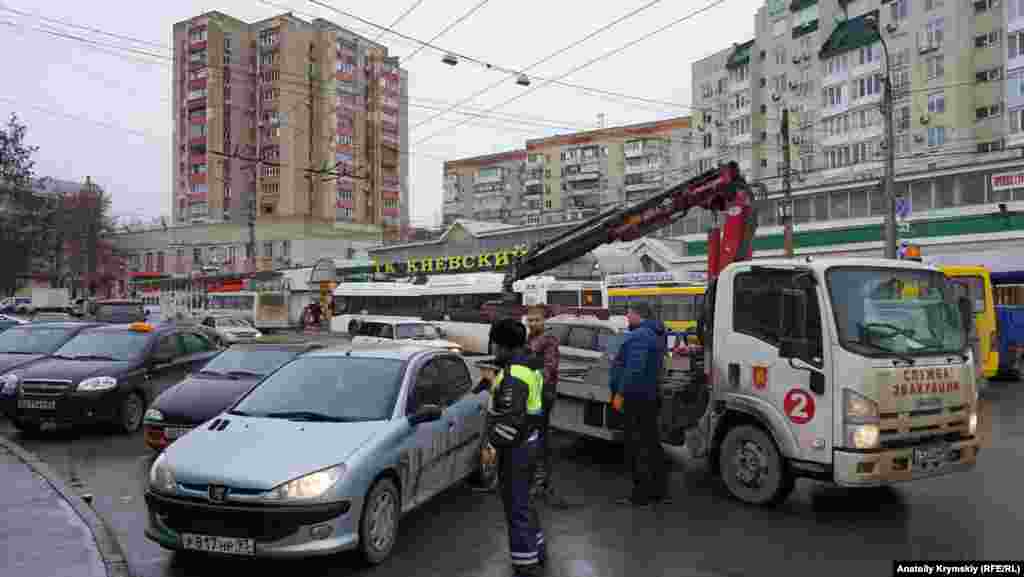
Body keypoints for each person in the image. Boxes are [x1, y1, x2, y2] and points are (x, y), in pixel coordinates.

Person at [480, 318, 546, 577]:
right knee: (526, 502)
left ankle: (526, 565)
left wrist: (491, 446)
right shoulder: (528, 365)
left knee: (515, 505)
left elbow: (510, 421)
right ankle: (537, 549)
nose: (494, 349)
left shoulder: (514, 375)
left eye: (495, 344)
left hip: (516, 449)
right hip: (530, 442)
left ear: (505, 346)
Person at [609, 301, 671, 507]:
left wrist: (620, 393)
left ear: (638, 315)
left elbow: (633, 369)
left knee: (637, 447)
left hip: (636, 399)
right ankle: (658, 491)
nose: (627, 318)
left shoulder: (640, 336)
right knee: (651, 445)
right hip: (649, 396)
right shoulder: (656, 334)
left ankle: (641, 494)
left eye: (629, 314)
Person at [525, 305, 574, 509]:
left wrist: (531, 378)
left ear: (544, 321)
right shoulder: (529, 339)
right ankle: (534, 480)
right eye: (530, 320)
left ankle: (542, 482)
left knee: (540, 437)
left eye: (536, 320)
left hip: (543, 395)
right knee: (531, 436)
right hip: (530, 396)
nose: (533, 323)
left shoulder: (549, 340)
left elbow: (549, 368)